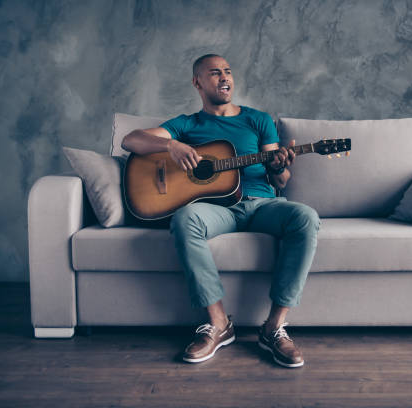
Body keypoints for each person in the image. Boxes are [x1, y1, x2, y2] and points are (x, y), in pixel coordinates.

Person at [121, 54, 319, 368]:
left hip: (261, 203)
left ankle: (274, 328)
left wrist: (279, 167)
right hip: (215, 209)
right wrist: (171, 145)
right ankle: (218, 324)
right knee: (185, 218)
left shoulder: (258, 119)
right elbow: (131, 140)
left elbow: (279, 178)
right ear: (197, 82)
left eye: (228, 71)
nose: (224, 77)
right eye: (214, 73)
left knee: (305, 217)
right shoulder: (187, 124)